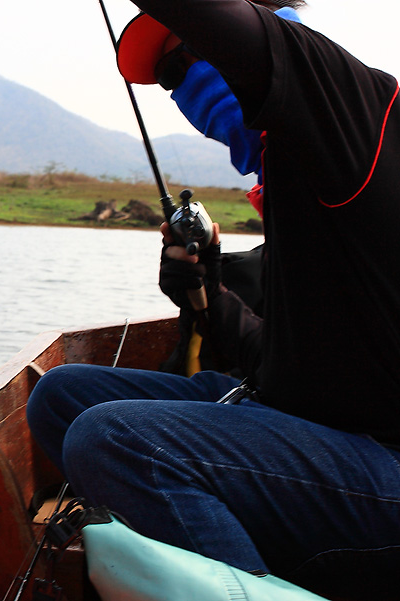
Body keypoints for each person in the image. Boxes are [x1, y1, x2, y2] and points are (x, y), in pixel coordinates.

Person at [27, 0, 400, 598]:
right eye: (171, 77)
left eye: (195, 52)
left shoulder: (344, 100)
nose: (184, 86)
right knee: (60, 395)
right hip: (309, 421)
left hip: (384, 465)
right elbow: (286, 362)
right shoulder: (283, 170)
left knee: (111, 438)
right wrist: (204, 294)